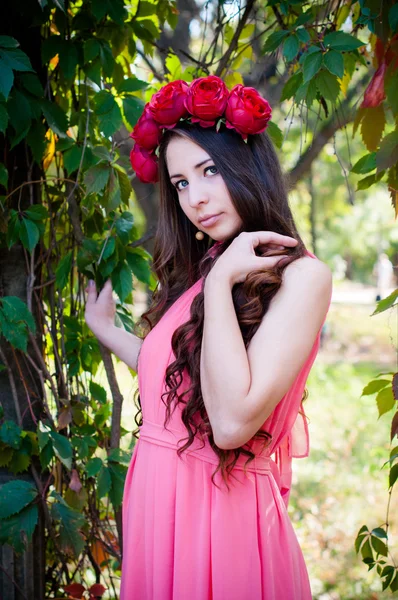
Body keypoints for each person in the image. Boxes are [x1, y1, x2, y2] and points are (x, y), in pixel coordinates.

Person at [85, 76, 333, 600]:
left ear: (248, 166)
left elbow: (228, 423)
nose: (195, 198)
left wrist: (221, 284)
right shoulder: (206, 269)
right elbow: (175, 382)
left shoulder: (301, 278)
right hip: (157, 501)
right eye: (179, 183)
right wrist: (107, 331)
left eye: (209, 170)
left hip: (219, 514)